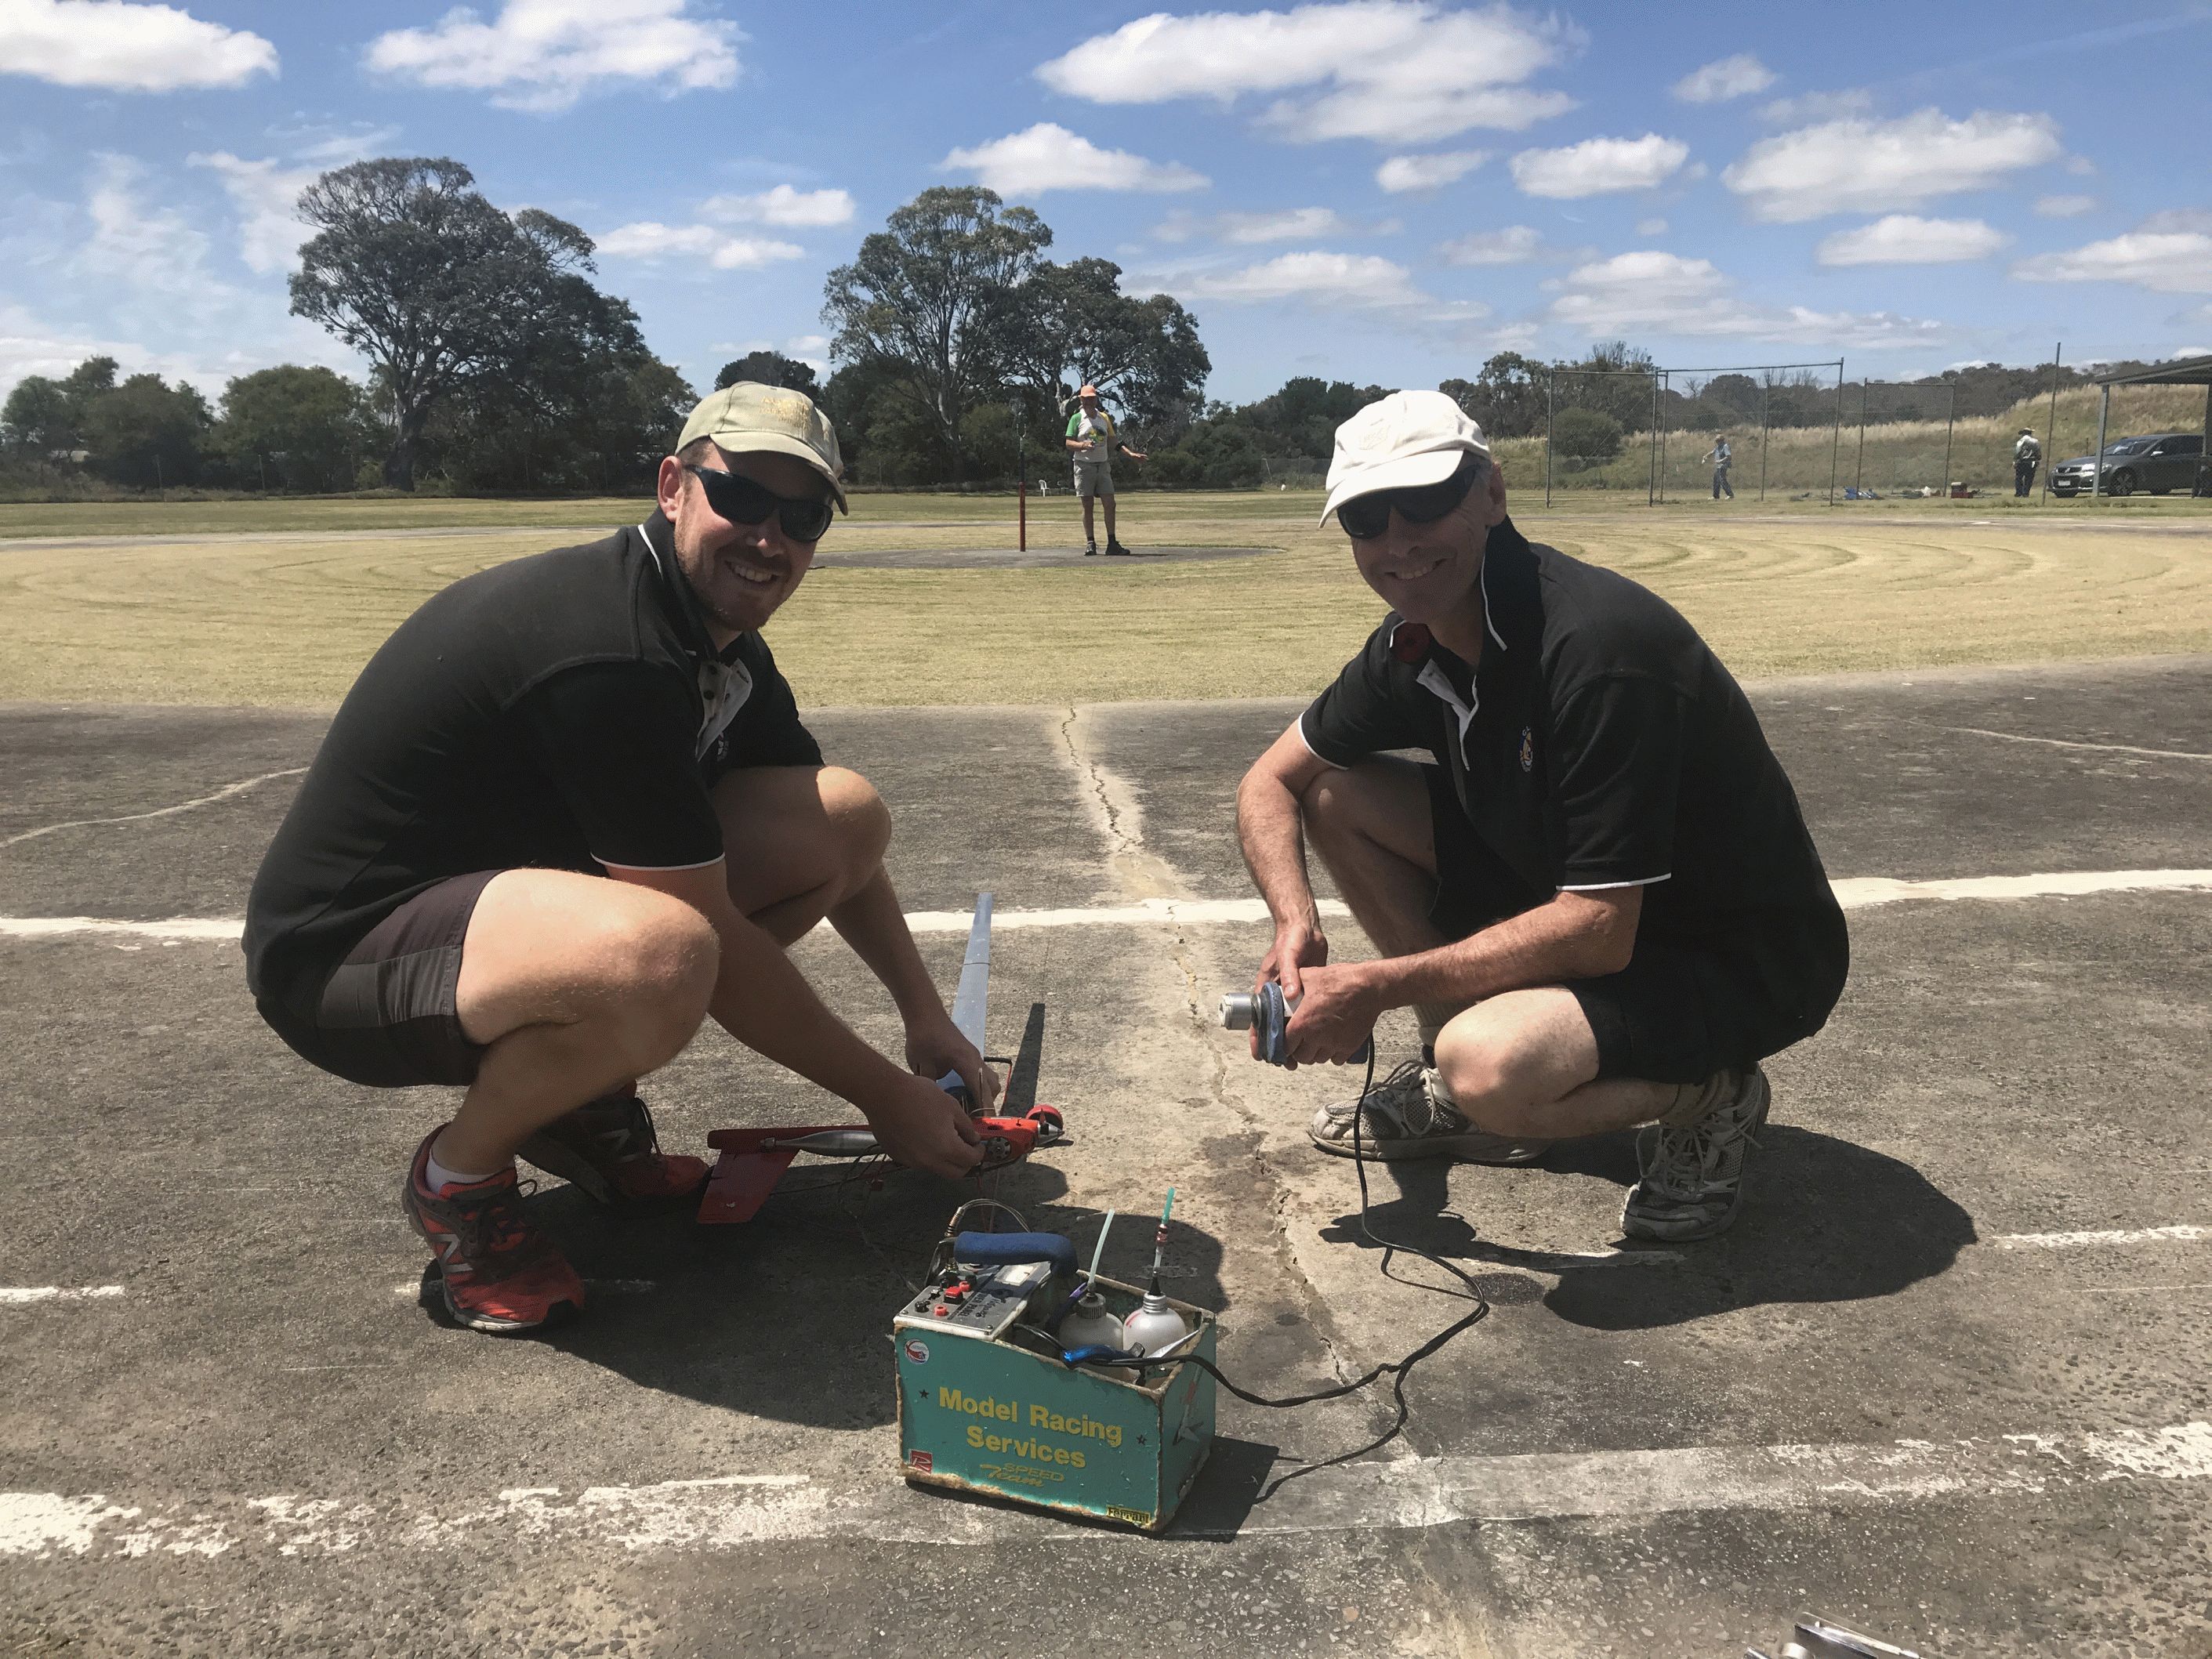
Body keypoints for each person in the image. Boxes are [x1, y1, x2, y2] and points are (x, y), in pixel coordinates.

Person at [244, 383, 996, 1333]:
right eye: (740, 496)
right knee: (664, 957)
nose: (768, 536)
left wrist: (923, 1017)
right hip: (340, 960)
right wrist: (886, 1097)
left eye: (802, 516)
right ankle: (459, 1179)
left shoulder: (719, 641)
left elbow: (826, 841)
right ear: (673, 486)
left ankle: (571, 1102)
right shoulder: (612, 650)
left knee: (841, 816)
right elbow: (702, 929)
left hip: (492, 920)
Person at [1235, 391, 1848, 1242]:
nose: (1397, 540)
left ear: (1491, 493)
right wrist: (1294, 923)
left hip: (1735, 955)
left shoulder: (1597, 650)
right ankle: (1461, 1090)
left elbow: (1598, 930)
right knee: (1337, 793)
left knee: (1488, 1065)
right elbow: (1269, 780)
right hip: (1584, 899)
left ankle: (1713, 1091)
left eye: (1425, 501)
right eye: (1367, 518)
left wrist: (1371, 987)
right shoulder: (1413, 643)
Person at [1064, 383, 1147, 556]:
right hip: (1084, 465)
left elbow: (1113, 440)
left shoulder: (1103, 418)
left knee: (1110, 503)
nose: (1088, 402)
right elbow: (1069, 442)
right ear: (1081, 400)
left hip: (1102, 465)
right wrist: (1082, 445)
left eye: (1091, 398)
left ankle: (1112, 542)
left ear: (1096, 399)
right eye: (1085, 399)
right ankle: (1090, 542)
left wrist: (1130, 454)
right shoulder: (1077, 418)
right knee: (1088, 505)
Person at [1704, 434, 1735, 500]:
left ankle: (1730, 495)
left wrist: (1721, 461)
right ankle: (1716, 496)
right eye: (1716, 441)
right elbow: (1712, 452)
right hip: (1718, 466)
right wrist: (1706, 456)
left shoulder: (1725, 446)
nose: (1717, 442)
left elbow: (1729, 456)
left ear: (1721, 440)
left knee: (1722, 480)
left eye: (1718, 440)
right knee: (1716, 480)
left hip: (1724, 465)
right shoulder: (1718, 447)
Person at [2014, 428, 2041, 498]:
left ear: (2023, 434)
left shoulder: (2020, 441)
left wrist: (2016, 460)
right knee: (2029, 478)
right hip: (2032, 462)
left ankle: (2019, 492)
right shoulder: (2035, 441)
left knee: (2019, 477)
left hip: (2022, 462)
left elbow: (2018, 452)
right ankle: (2026, 493)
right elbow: (2038, 453)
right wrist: (2038, 459)